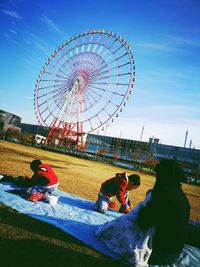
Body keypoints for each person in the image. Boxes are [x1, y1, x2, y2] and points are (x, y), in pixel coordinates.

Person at [96, 159, 195, 266]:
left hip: (160, 253)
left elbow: (143, 221)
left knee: (123, 229)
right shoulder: (181, 196)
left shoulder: (162, 195)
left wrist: (141, 208)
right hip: (176, 250)